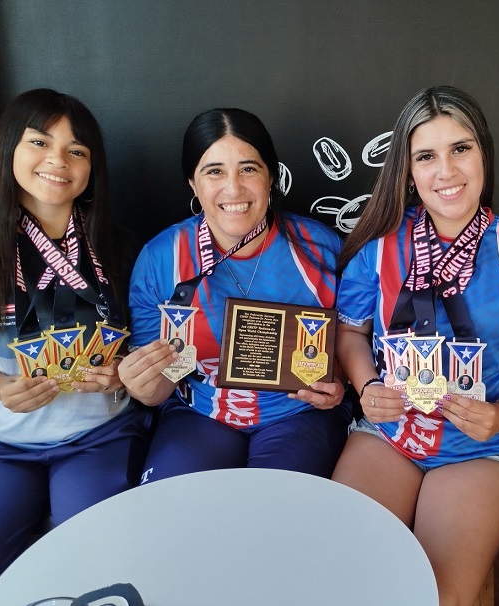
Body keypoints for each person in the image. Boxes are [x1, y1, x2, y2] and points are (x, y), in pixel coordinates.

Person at [332, 86, 499, 606]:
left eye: (460, 149)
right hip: (388, 434)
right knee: (339, 582)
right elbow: (349, 334)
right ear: (407, 172)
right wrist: (367, 386)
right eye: (426, 156)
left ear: (484, 155)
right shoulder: (380, 249)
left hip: (481, 447)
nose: (446, 171)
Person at [0, 89, 151, 606]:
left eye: (77, 150)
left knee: (101, 585)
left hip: (100, 435)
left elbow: (154, 340)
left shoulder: (124, 248)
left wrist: (124, 370)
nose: (58, 162)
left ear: (93, 166)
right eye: (40, 142)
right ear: (7, 150)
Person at [118, 108, 350, 483]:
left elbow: (352, 345)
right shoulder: (161, 257)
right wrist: (143, 386)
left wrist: (338, 386)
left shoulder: (320, 249)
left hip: (297, 414)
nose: (234, 188)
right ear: (192, 183)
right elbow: (160, 385)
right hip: (200, 414)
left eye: (249, 168)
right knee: (173, 517)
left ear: (270, 176)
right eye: (214, 171)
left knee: (277, 520)